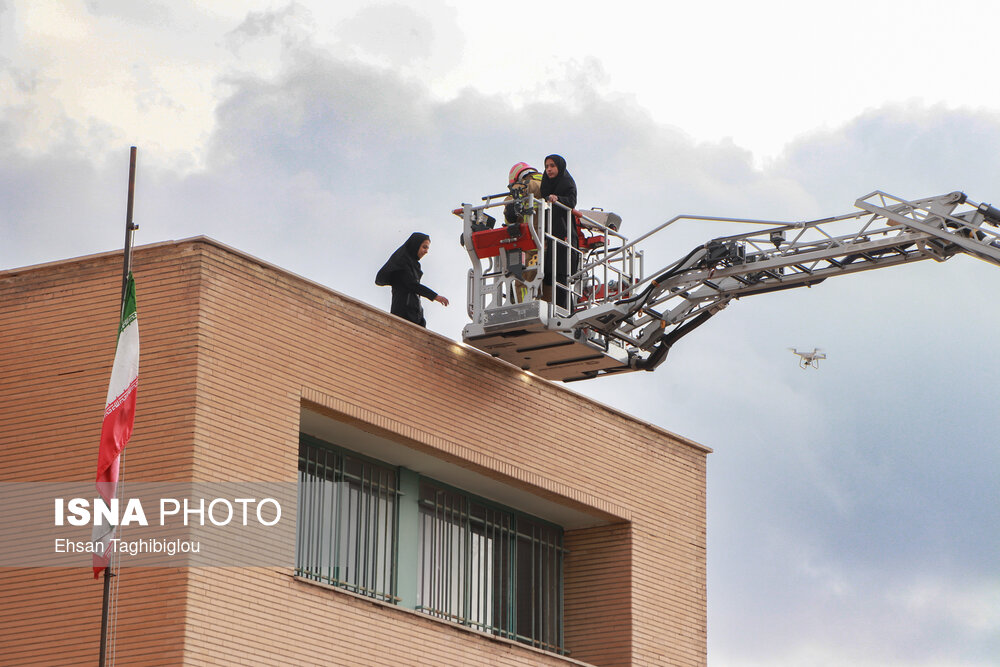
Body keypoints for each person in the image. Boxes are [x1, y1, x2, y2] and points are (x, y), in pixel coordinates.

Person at [375, 232, 449, 327]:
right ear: (415, 245)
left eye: (427, 248)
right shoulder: (402, 263)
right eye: (424, 247)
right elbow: (412, 285)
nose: (426, 251)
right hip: (403, 314)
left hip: (415, 313)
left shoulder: (414, 265)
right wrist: (435, 296)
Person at [539, 154, 578, 310]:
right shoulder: (546, 183)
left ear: (560, 167)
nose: (549, 169)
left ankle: (567, 310)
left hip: (564, 231)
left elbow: (572, 202)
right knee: (549, 272)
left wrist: (558, 199)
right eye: (547, 166)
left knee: (562, 273)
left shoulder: (567, 182)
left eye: (552, 166)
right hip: (549, 232)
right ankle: (554, 306)